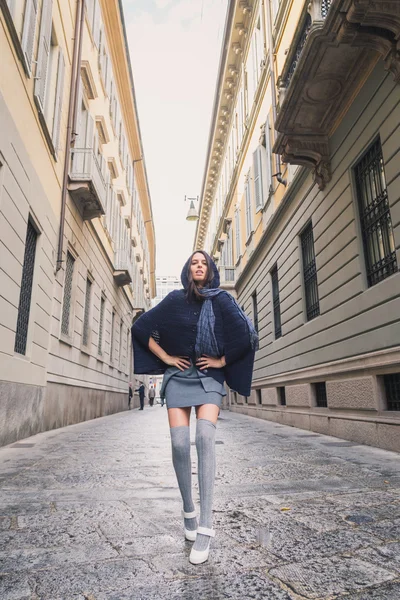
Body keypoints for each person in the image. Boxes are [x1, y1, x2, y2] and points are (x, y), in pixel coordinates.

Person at [132, 251, 257, 565]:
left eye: (203, 263)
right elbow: (141, 327)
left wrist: (222, 361)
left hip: (210, 378)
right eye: (193, 263)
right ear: (187, 271)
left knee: (203, 437)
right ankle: (188, 509)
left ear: (211, 270)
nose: (198, 266)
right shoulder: (174, 300)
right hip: (178, 378)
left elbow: (247, 335)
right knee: (178, 443)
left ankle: (205, 525)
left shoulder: (222, 301)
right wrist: (165, 359)